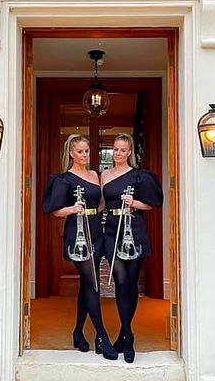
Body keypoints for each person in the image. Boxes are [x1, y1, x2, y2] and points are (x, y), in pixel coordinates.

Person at [42, 134, 118, 360]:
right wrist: (73, 209)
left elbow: (101, 202)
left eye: (86, 151)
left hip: (96, 229)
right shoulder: (64, 179)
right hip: (77, 233)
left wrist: (97, 212)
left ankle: (78, 332)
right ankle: (102, 336)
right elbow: (55, 211)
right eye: (80, 152)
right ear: (71, 154)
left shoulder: (95, 174)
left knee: (87, 284)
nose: (85, 155)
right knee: (93, 283)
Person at [101, 133, 163, 364]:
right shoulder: (104, 175)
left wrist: (134, 203)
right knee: (120, 282)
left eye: (122, 150)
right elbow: (101, 203)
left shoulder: (139, 176)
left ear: (129, 153)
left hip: (132, 229)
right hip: (111, 230)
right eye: (115, 149)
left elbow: (153, 204)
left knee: (131, 283)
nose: (118, 153)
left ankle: (124, 336)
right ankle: (128, 335)